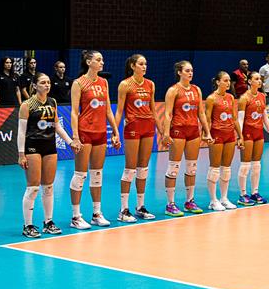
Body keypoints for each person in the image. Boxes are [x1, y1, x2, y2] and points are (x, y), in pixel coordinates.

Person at [16, 74, 80, 237]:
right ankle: (28, 225)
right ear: (35, 85)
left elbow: (57, 126)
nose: (47, 85)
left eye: (48, 82)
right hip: (33, 147)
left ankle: (48, 222)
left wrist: (70, 142)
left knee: (49, 186)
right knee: (33, 187)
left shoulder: (52, 102)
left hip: (49, 146)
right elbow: (21, 132)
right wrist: (21, 154)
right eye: (43, 82)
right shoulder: (27, 105)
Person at [67, 51, 120, 229]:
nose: (102, 62)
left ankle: (97, 214)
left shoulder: (104, 82)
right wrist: (75, 136)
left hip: (100, 132)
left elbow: (108, 110)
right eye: (98, 60)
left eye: (102, 59)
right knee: (80, 174)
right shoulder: (78, 83)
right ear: (89, 62)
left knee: (97, 173)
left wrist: (115, 131)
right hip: (85, 132)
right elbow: (74, 112)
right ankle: (76, 216)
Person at [159, 61, 207, 215]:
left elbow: (201, 113)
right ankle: (170, 204)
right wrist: (166, 133)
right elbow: (168, 114)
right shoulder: (173, 90)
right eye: (187, 70)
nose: (190, 73)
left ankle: (189, 201)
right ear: (179, 72)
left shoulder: (197, 89)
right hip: (178, 130)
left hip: (193, 131)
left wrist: (207, 131)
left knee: (192, 168)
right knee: (173, 168)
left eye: (191, 70)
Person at [115, 54, 158, 222]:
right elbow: (119, 110)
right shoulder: (125, 84)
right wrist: (115, 132)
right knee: (130, 169)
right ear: (133, 66)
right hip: (133, 128)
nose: (144, 66)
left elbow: (153, 109)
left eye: (145, 63)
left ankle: (140, 206)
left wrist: (163, 131)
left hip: (148, 127)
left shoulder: (150, 84)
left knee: (143, 169)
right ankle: (123, 209)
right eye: (141, 64)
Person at [204, 71, 243, 211]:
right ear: (217, 82)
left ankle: (224, 198)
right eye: (225, 80)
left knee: (226, 168)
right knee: (214, 168)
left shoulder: (231, 97)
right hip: (217, 135)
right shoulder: (211, 98)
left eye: (229, 81)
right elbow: (207, 119)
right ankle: (213, 200)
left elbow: (234, 118)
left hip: (230, 135)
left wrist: (240, 136)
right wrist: (206, 134)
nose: (228, 83)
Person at [237, 71, 269, 204]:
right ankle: (242, 194)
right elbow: (240, 120)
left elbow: (265, 117)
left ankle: (254, 193)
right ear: (249, 81)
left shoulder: (262, 96)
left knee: (257, 165)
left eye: (260, 79)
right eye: (256, 79)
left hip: (259, 133)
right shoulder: (244, 98)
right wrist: (240, 137)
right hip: (247, 134)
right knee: (245, 165)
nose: (259, 81)